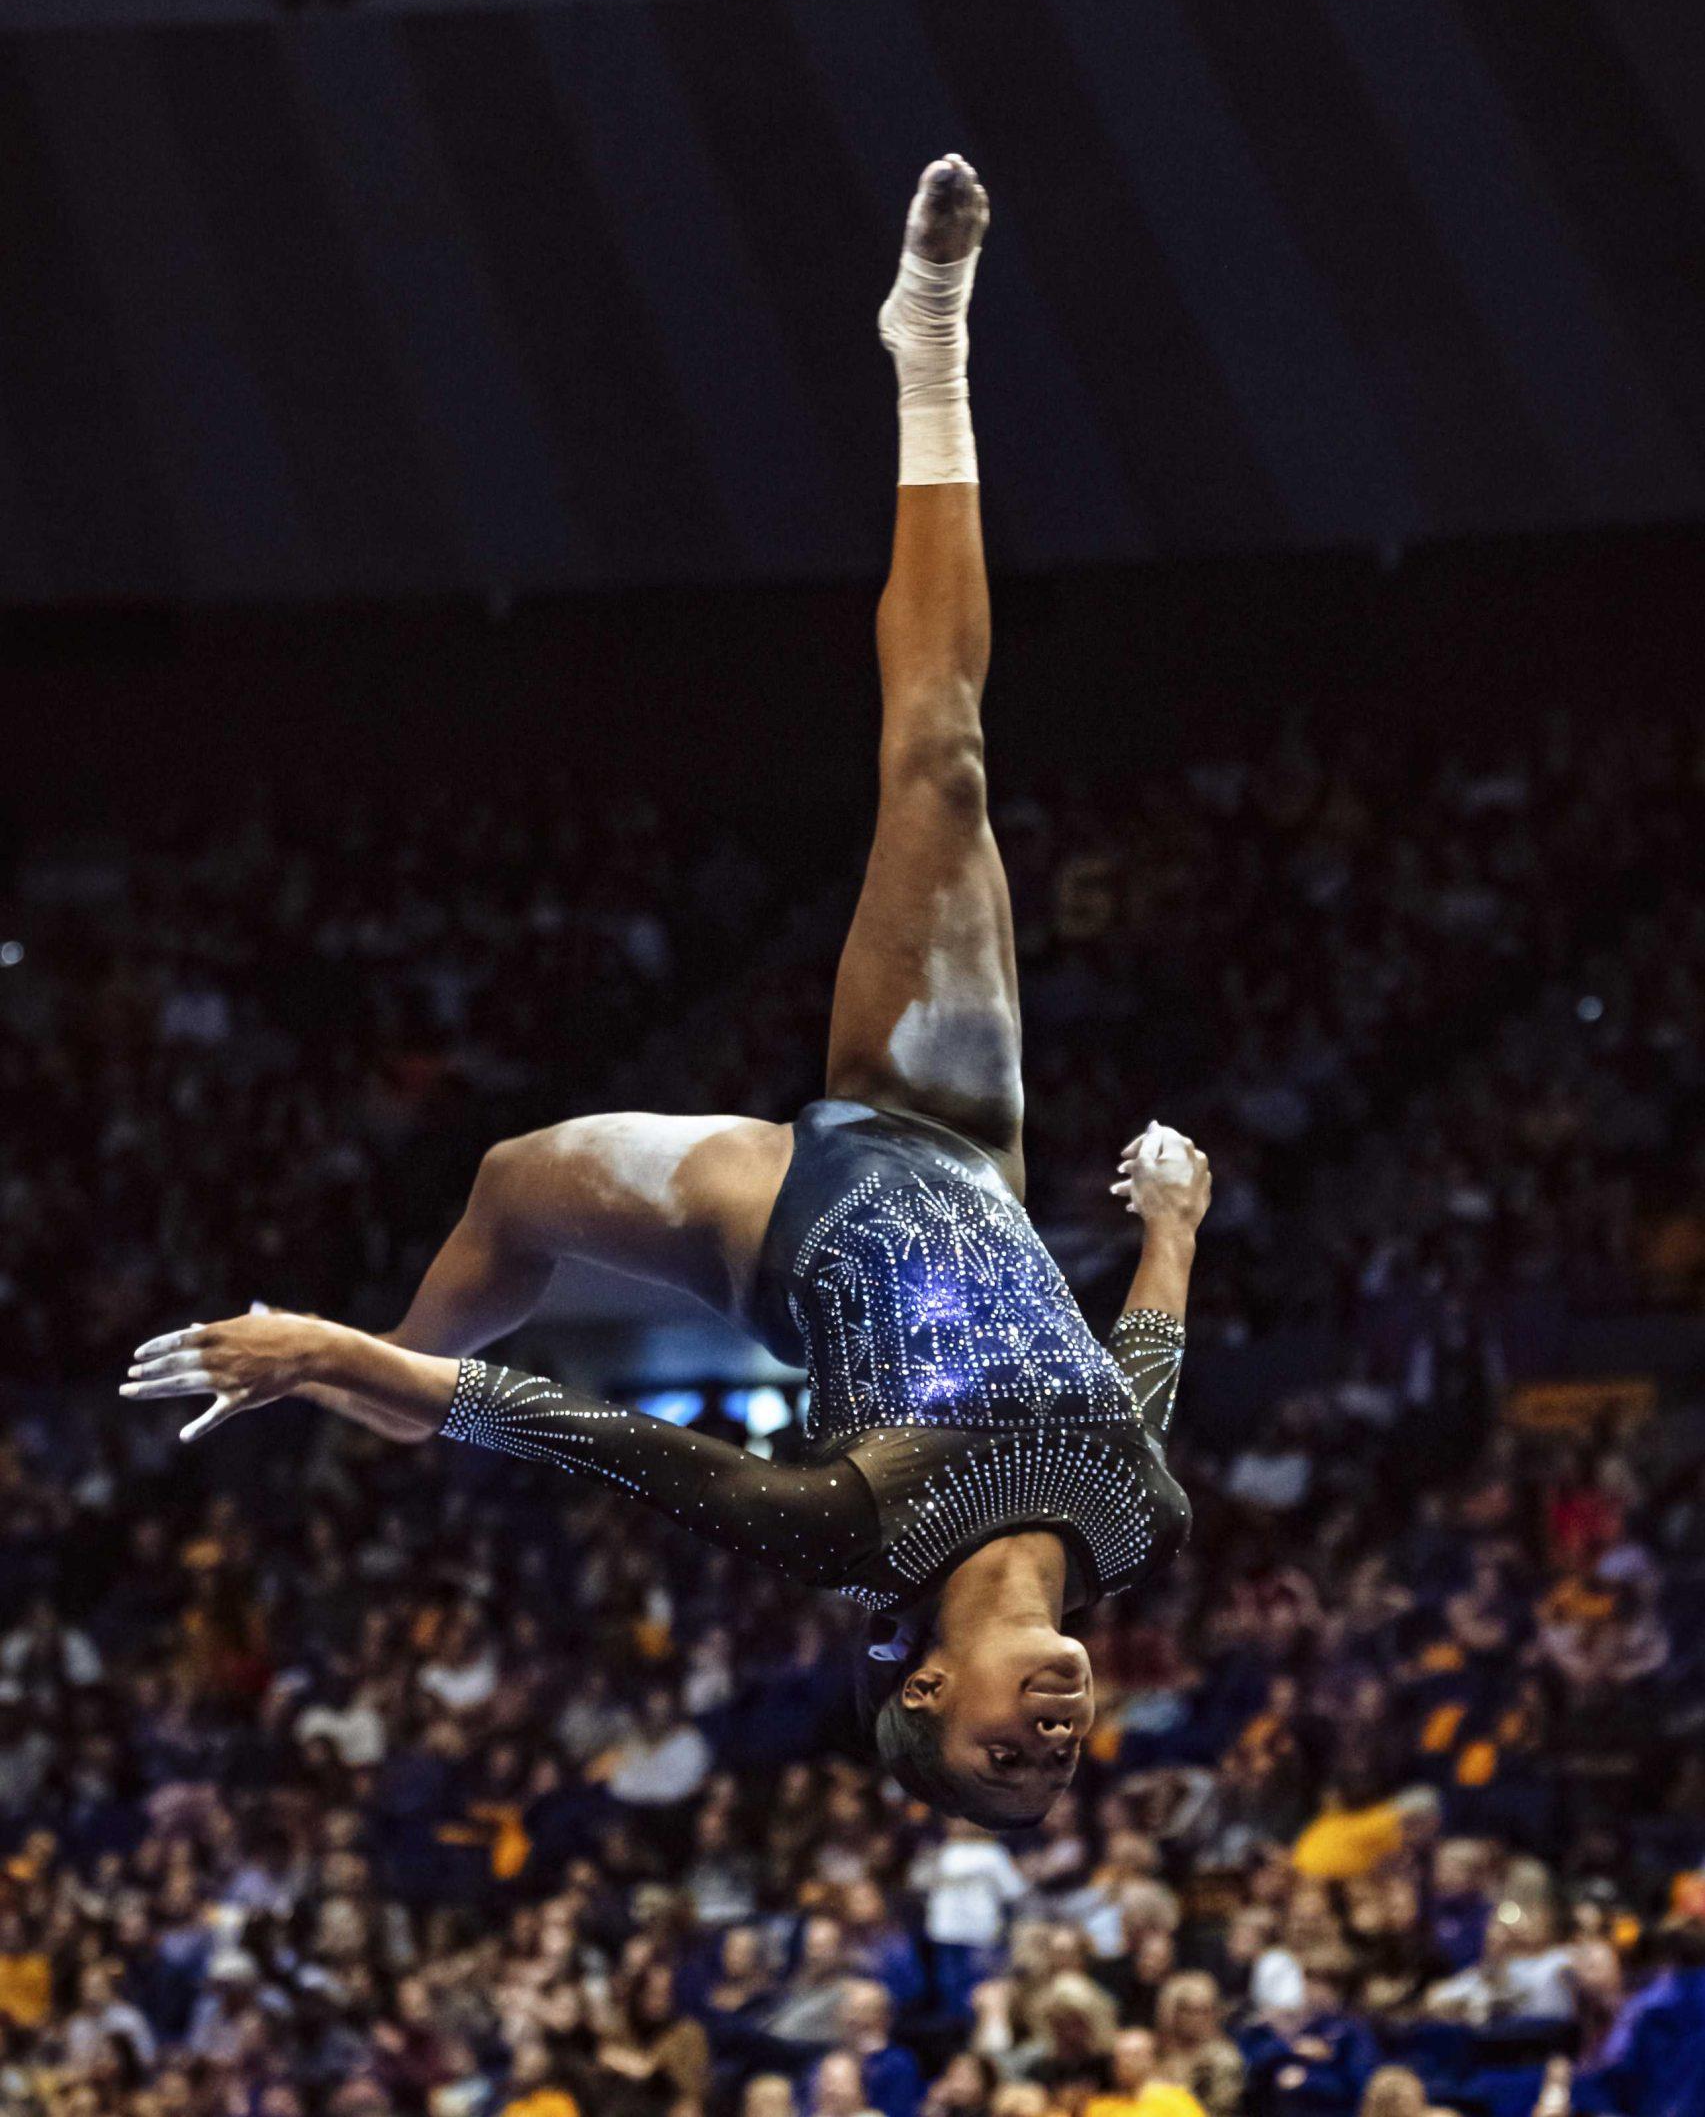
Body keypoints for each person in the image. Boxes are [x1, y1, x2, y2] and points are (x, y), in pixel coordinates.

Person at [121, 157, 1206, 1829]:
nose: (1054, 1728)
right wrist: (1172, 1225)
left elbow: (580, 1428)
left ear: (923, 1687)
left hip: (776, 1216)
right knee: (942, 760)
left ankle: (378, 1386)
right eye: (1065, 1756)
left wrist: (341, 1348)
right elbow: (1137, 1381)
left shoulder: (857, 1528)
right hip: (961, 1140)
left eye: (1008, 1748)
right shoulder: (1138, 1526)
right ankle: (930, 343)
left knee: (508, 1186)